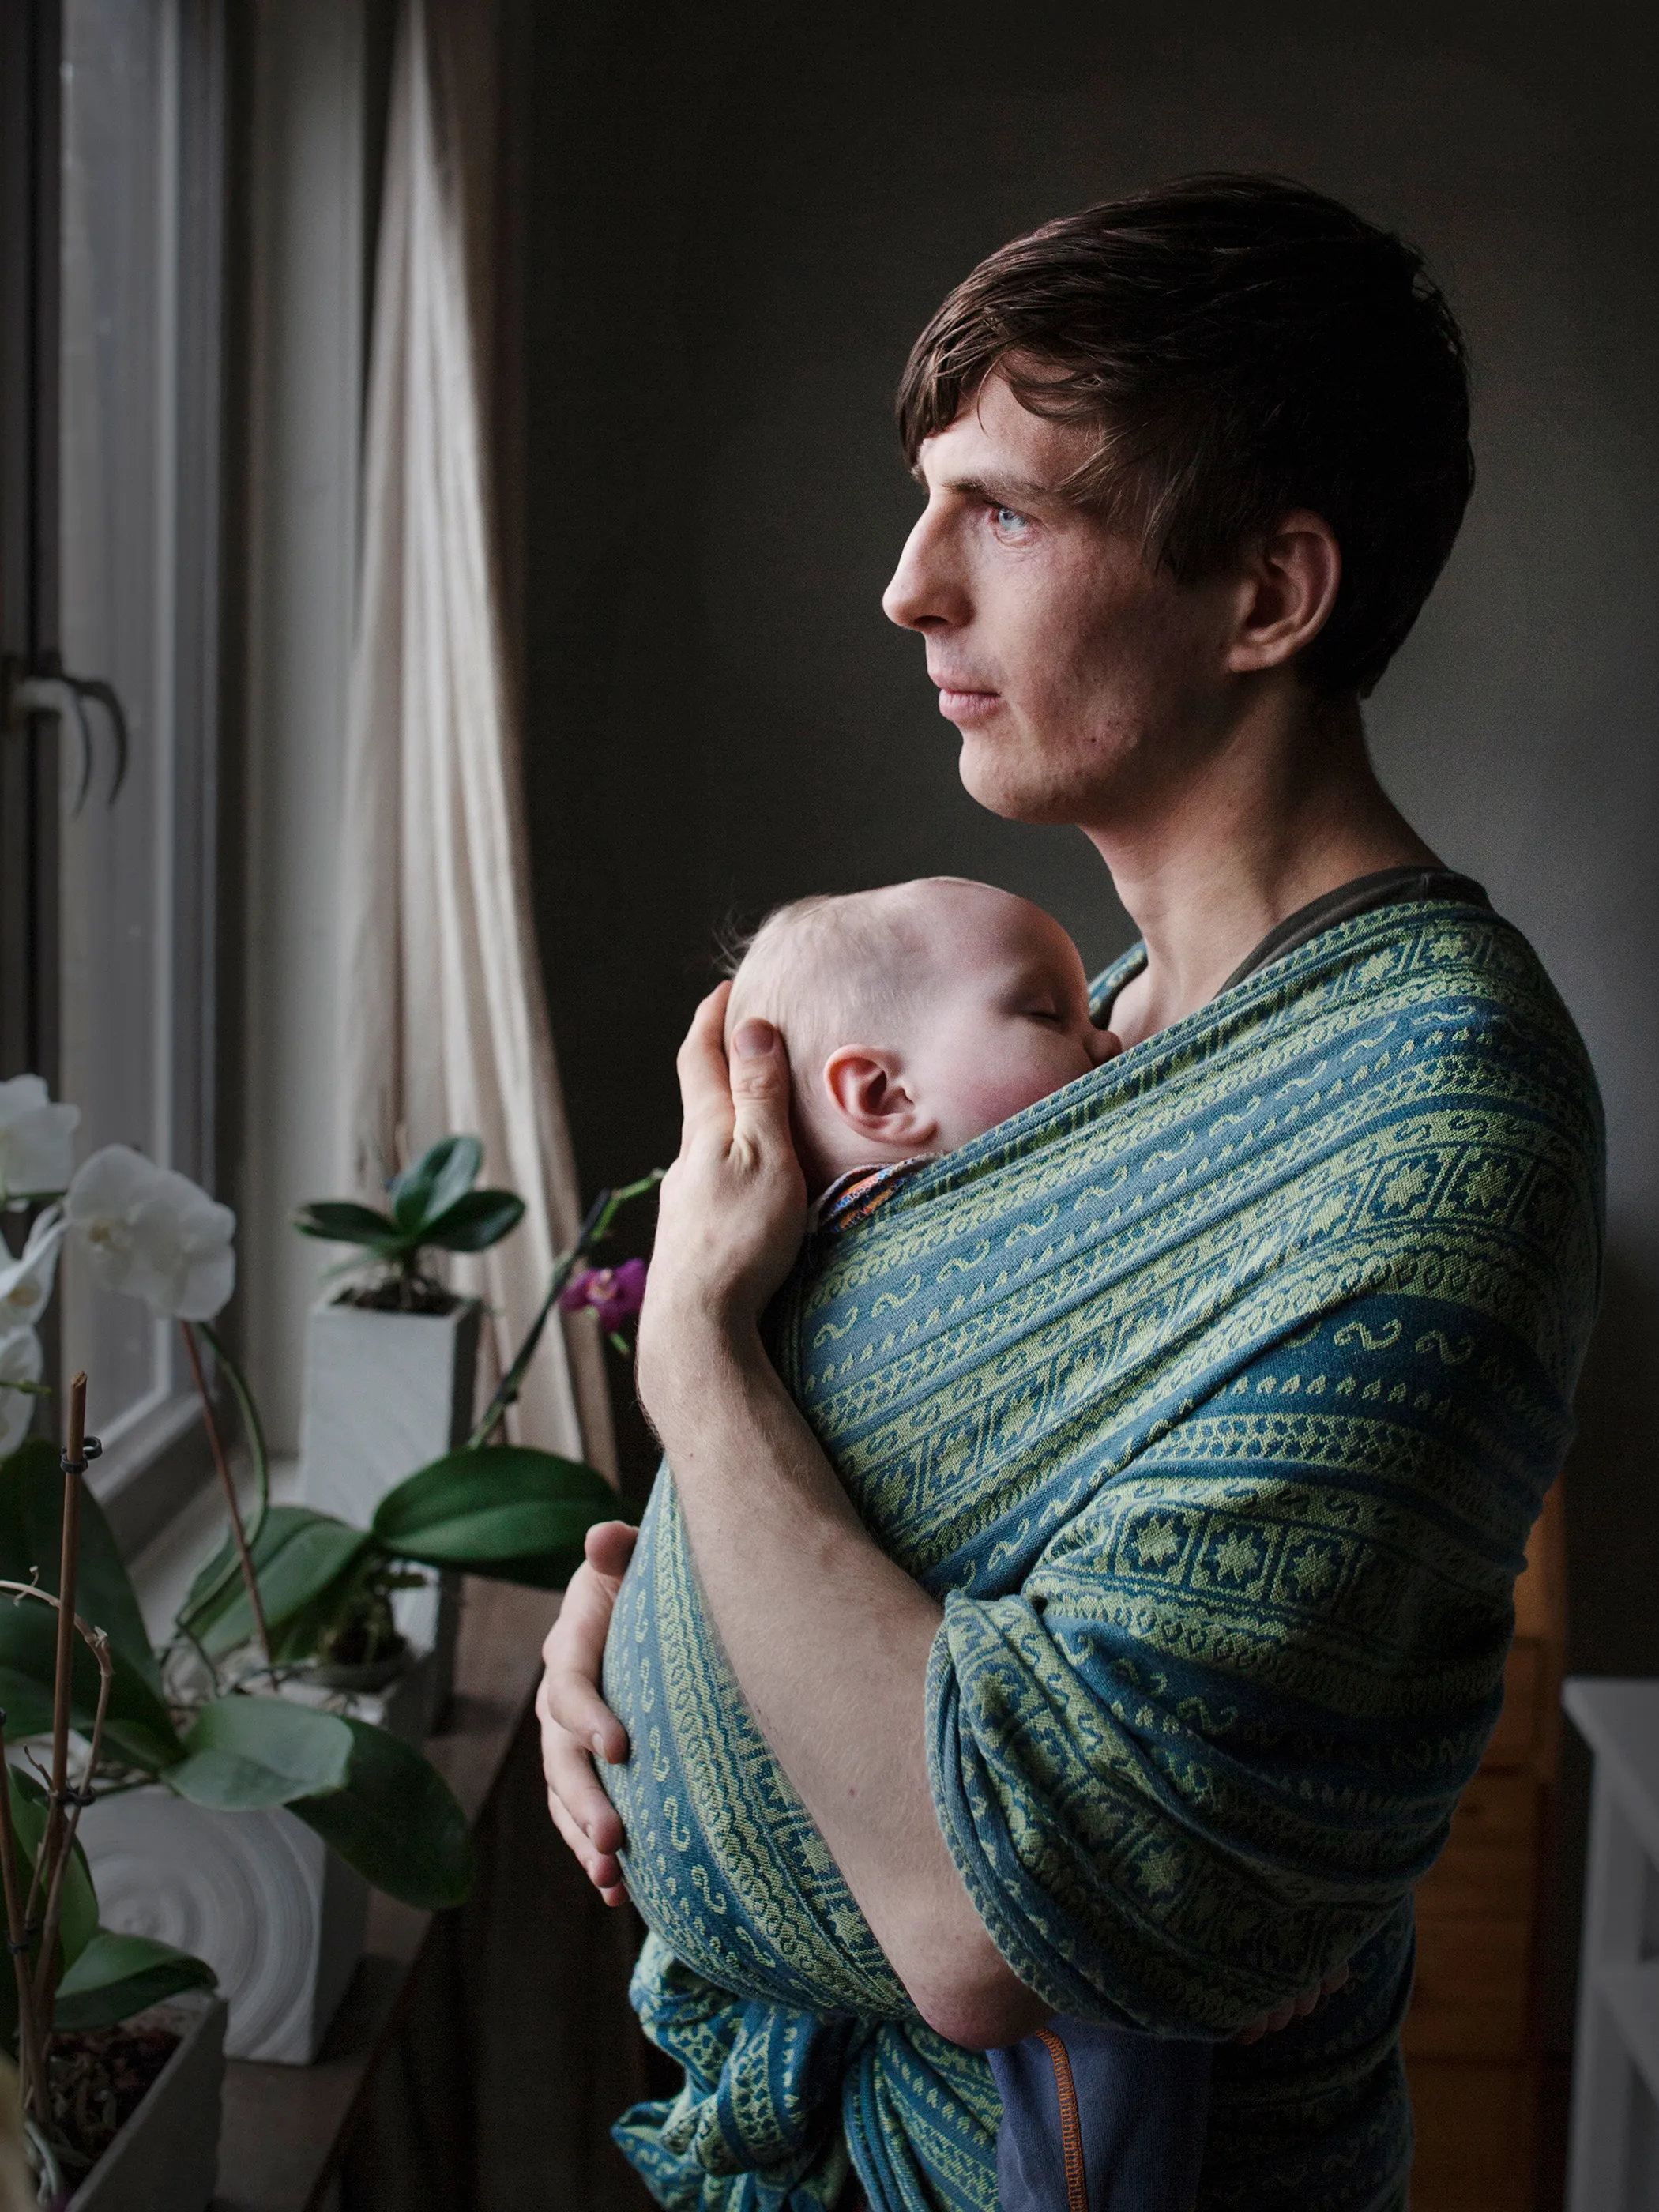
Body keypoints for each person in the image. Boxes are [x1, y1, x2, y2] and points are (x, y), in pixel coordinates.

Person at [539, 176, 1604, 2212]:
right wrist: (658, 1600)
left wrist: (691, 1348)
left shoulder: (1437, 1122)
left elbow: (999, 1915)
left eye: (1005, 512)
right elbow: (937, 1504)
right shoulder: (1110, 1025)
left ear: (1271, 594)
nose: (907, 588)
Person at [610, 875, 1222, 2212]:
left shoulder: (791, 1269)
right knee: (1122, 1971)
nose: (1112, 1042)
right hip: (910, 1844)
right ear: (881, 1101)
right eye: (1054, 1014)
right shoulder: (924, 1265)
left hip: (833, 1851)